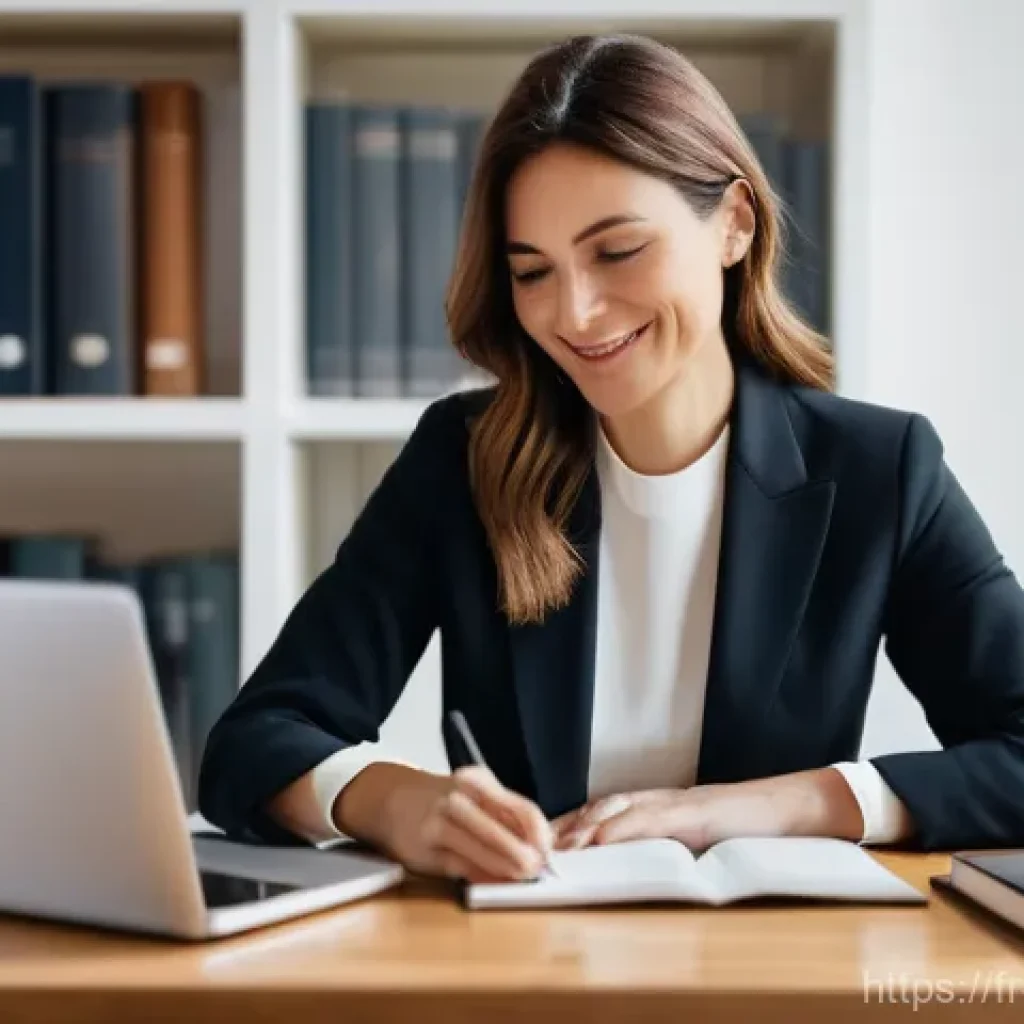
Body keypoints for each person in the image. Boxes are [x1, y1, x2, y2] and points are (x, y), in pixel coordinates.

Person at [198, 33, 1024, 883]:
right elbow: (251, 745)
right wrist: (401, 803)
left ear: (734, 225)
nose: (578, 314)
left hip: (771, 976)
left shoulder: (880, 469)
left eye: (617, 251)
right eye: (532, 272)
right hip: (525, 973)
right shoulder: (465, 460)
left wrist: (764, 807)